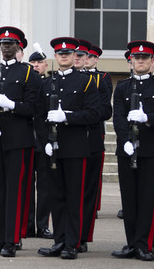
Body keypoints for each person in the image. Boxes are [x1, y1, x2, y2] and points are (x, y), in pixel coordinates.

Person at [0, 26, 41, 257]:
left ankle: (11, 241)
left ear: (18, 47)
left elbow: (33, 108)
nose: (6, 46)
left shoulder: (28, 74)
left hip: (18, 140)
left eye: (10, 43)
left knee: (15, 192)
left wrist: (12, 105)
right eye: (3, 43)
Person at [37, 37, 102, 260]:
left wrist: (68, 117)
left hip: (76, 147)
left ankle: (73, 243)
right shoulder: (47, 83)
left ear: (76, 56)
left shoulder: (85, 82)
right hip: (52, 147)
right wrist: (44, 140)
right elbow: (39, 115)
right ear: (55, 57)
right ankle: (60, 240)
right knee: (57, 196)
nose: (63, 56)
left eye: (68, 53)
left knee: (75, 197)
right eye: (59, 53)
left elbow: (94, 114)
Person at [111, 40, 154, 261]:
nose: (140, 61)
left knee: (149, 199)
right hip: (127, 150)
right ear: (130, 63)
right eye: (136, 59)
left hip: (151, 150)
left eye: (145, 58)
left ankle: (145, 244)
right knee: (129, 199)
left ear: (153, 63)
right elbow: (118, 117)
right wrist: (125, 139)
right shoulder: (122, 87)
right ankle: (132, 243)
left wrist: (148, 118)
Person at [78, 41, 111, 251]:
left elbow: (105, 110)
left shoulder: (102, 79)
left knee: (88, 188)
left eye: (88, 56)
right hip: (68, 139)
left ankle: (82, 236)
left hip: (92, 135)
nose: (84, 59)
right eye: (81, 56)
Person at [28, 49, 53, 239]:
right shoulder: (26, 82)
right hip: (28, 140)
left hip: (44, 141)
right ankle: (28, 225)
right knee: (27, 186)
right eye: (33, 62)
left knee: (45, 187)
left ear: (46, 65)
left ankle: (43, 225)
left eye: (39, 62)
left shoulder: (51, 84)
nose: (36, 65)